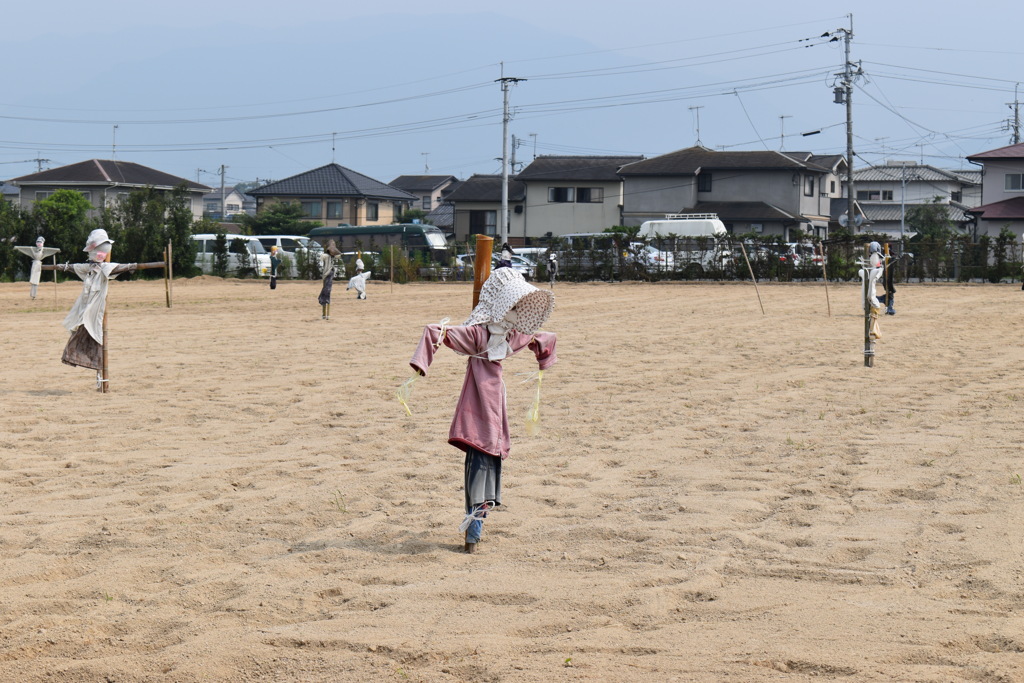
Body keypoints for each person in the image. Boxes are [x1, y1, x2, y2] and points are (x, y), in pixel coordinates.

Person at [408, 266, 557, 553]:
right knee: (479, 462)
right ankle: (473, 529)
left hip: (495, 407)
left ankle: (475, 527)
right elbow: (437, 333)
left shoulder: (513, 335)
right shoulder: (478, 335)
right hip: (475, 403)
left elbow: (541, 338)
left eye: (518, 306)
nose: (514, 311)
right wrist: (421, 364)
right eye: (510, 305)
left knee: (489, 461)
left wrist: (543, 356)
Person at [53, 229, 138, 378]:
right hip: (87, 303)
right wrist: (63, 267)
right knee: (85, 327)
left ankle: (97, 367)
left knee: (95, 328)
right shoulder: (90, 268)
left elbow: (117, 268)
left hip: (96, 305)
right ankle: (87, 362)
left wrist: (131, 266)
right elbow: (76, 268)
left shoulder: (106, 267)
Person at [318, 240, 340, 319]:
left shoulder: (333, 257)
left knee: (328, 290)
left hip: (330, 273)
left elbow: (338, 255)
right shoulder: (325, 256)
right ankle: (324, 311)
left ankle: (326, 312)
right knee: (327, 290)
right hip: (326, 274)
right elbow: (320, 263)